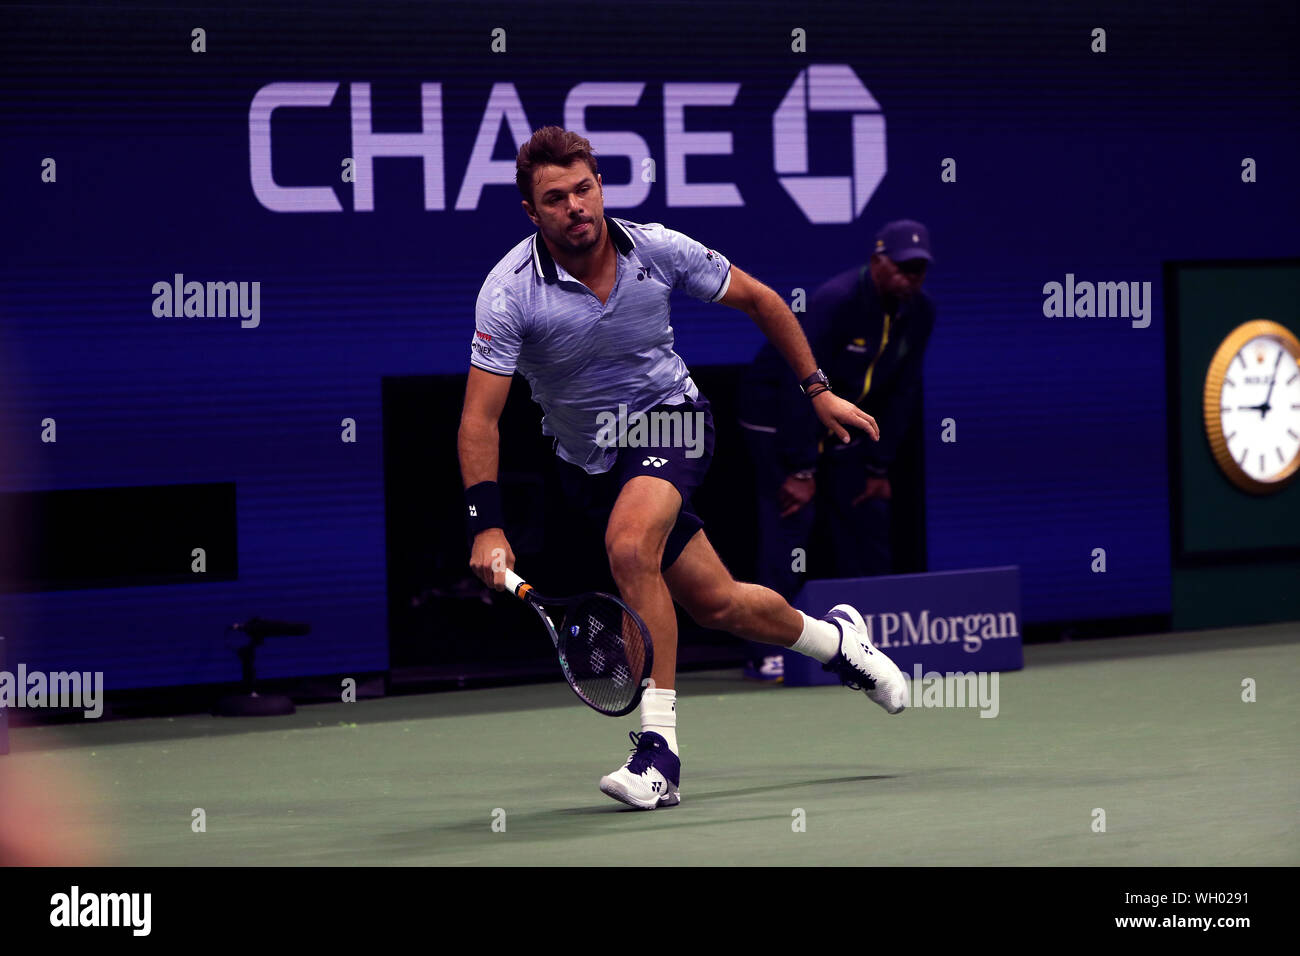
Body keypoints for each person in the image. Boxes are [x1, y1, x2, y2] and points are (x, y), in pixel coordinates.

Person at [457, 126, 909, 810]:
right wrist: (485, 525)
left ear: (601, 185)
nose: (575, 206)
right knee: (718, 602)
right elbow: (479, 420)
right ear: (532, 211)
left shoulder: (658, 248)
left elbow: (762, 299)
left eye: (584, 188)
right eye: (556, 198)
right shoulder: (508, 292)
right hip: (588, 462)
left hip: (673, 419)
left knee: (629, 546)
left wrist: (818, 391)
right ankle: (839, 643)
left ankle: (658, 753)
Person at [737, 221, 936, 681]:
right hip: (777, 415)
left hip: (843, 423)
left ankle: (870, 644)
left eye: (920, 270)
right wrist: (800, 469)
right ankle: (763, 651)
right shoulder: (836, 300)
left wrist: (879, 465)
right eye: (904, 268)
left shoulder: (921, 313)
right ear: (878, 263)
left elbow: (903, 392)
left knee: (867, 515)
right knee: (789, 528)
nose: (912, 278)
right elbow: (797, 383)